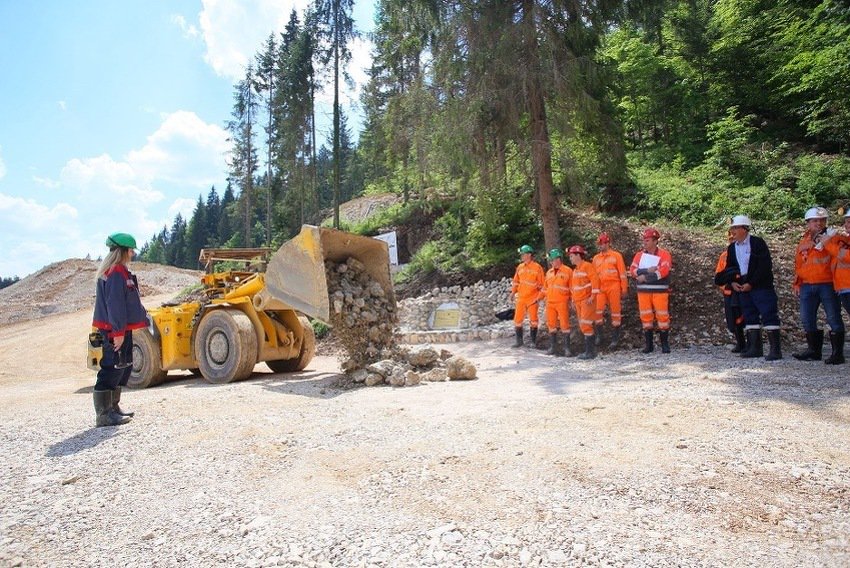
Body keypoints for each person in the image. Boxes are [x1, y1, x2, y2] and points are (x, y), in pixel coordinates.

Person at [91, 233, 149, 427]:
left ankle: (113, 407)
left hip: (121, 329)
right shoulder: (115, 272)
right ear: (122, 251)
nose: (132, 254)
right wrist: (117, 333)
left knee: (122, 367)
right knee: (111, 368)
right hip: (113, 331)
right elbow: (115, 304)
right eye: (130, 251)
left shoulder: (120, 271)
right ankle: (103, 414)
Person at [715, 215, 782, 360]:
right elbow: (730, 268)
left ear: (744, 229)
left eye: (735, 228)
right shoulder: (732, 248)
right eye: (732, 228)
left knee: (768, 314)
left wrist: (751, 283)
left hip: (761, 286)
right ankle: (755, 348)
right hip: (743, 286)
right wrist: (732, 282)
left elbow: (764, 266)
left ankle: (775, 350)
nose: (732, 231)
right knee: (749, 315)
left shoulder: (757, 243)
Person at [792, 207, 845, 363]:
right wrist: (797, 283)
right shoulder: (804, 241)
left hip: (828, 283)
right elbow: (799, 264)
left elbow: (840, 256)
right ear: (808, 223)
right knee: (806, 318)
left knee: (833, 317)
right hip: (807, 284)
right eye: (815, 220)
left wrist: (827, 242)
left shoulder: (834, 237)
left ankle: (837, 354)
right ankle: (813, 351)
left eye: (822, 220)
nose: (819, 223)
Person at [629, 228, 672, 354]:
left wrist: (646, 277)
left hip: (660, 291)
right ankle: (649, 345)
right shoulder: (639, 255)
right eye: (644, 240)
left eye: (647, 240)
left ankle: (665, 344)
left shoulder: (664, 254)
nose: (645, 243)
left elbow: (664, 271)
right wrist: (647, 271)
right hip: (643, 292)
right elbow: (632, 270)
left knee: (662, 316)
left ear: (655, 241)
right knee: (645, 317)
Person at [821, 209, 850, 364]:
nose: (847, 225)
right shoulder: (846, 240)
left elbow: (845, 257)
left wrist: (828, 244)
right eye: (846, 221)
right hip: (843, 287)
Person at [592, 233, 628, 349]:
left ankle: (615, 338)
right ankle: (599, 336)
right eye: (599, 244)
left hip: (614, 286)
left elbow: (622, 273)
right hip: (600, 287)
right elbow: (593, 276)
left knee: (615, 311)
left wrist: (624, 288)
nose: (601, 246)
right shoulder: (596, 258)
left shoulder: (616, 256)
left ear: (608, 243)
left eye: (602, 243)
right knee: (597, 310)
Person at [714, 229, 746, 353]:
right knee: (732, 320)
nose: (732, 240)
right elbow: (719, 275)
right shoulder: (724, 256)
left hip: (744, 291)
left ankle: (751, 343)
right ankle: (740, 343)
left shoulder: (747, 252)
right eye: (730, 238)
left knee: (746, 317)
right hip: (729, 292)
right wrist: (728, 285)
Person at [567, 245, 600, 359]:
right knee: (583, 325)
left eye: (571, 256)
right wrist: (573, 300)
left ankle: (590, 352)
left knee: (586, 324)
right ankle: (589, 351)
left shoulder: (587, 266)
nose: (570, 258)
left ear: (578, 255)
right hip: (578, 301)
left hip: (586, 300)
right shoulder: (575, 270)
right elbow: (574, 287)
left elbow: (595, 281)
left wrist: (593, 296)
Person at [539, 248, 573, 356]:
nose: (551, 262)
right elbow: (545, 288)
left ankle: (567, 349)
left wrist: (572, 301)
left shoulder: (568, 271)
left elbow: (572, 288)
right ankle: (553, 347)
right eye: (550, 260)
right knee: (551, 325)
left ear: (558, 259)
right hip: (550, 302)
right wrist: (539, 298)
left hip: (562, 302)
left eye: (552, 260)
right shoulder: (549, 273)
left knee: (564, 324)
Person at [510, 244, 545, 348]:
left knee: (533, 320)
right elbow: (516, 281)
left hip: (532, 298)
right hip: (521, 297)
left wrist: (539, 297)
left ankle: (533, 342)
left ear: (529, 255)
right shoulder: (520, 267)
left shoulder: (537, 267)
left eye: (523, 254)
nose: (521, 256)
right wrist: (513, 292)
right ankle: (519, 341)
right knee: (517, 319)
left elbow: (542, 285)